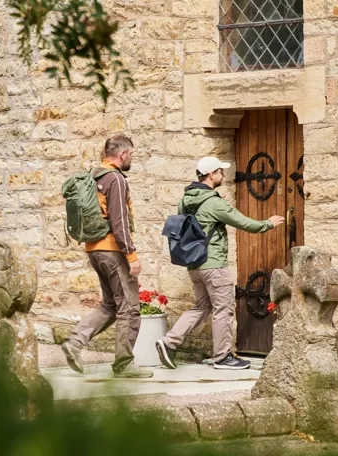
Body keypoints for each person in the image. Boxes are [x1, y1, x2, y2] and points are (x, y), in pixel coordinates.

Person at [155, 156, 285, 370]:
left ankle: (168, 342)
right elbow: (243, 222)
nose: (223, 175)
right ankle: (223, 357)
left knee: (202, 307)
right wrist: (267, 223)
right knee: (223, 309)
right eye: (220, 172)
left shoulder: (185, 200)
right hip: (213, 264)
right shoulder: (213, 202)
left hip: (194, 265)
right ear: (210, 174)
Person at [61, 134, 152, 378]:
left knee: (111, 305)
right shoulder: (116, 179)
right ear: (122, 154)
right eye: (131, 154)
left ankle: (74, 343)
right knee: (130, 308)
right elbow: (119, 219)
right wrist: (131, 256)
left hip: (94, 249)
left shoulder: (95, 175)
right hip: (113, 250)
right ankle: (123, 365)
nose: (131, 158)